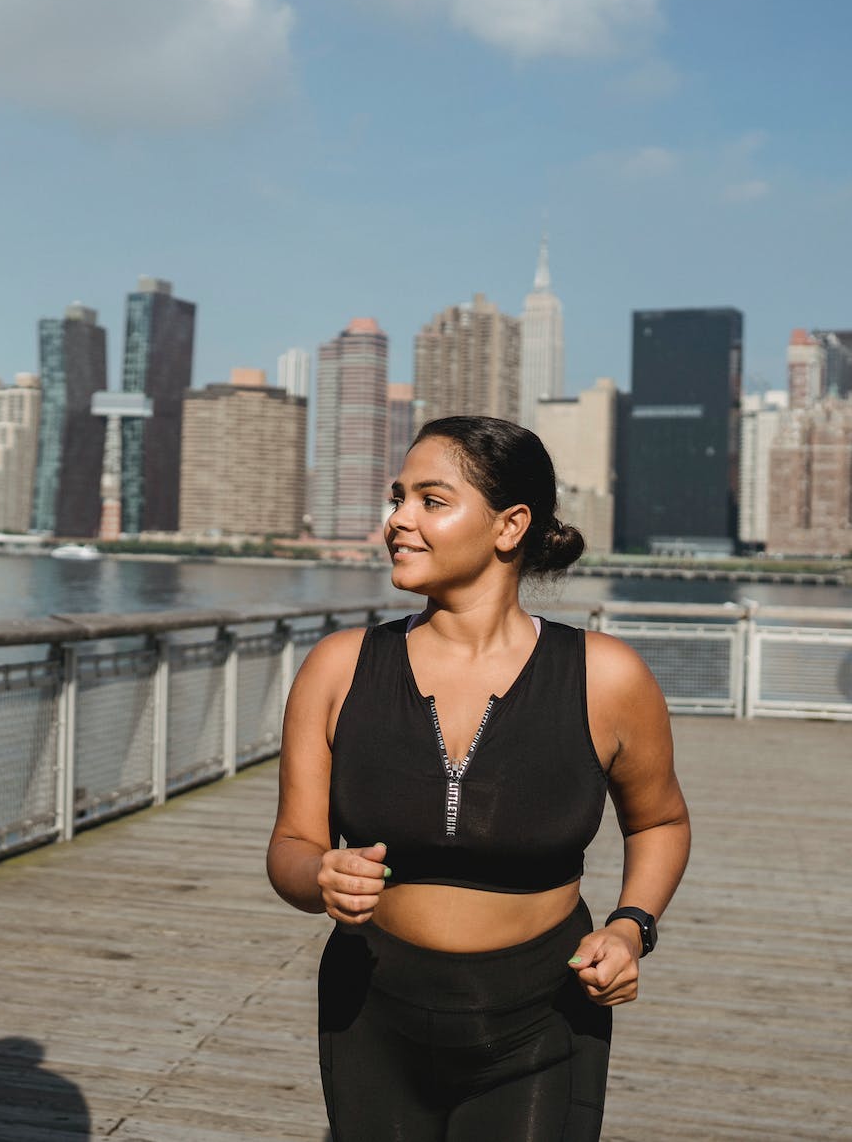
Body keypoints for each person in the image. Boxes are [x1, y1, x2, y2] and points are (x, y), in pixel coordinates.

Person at [267, 415, 691, 1141]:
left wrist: (631, 926)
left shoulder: (607, 677)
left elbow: (660, 822)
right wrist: (320, 875)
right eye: (397, 497)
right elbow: (292, 846)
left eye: (431, 500)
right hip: (370, 1006)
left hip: (543, 1013)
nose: (397, 519)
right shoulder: (338, 668)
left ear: (509, 525)